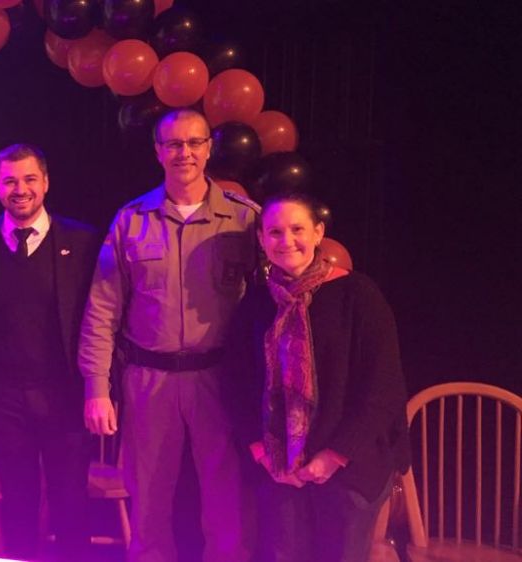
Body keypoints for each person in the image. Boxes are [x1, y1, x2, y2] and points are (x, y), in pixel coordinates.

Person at [80, 108, 257, 562]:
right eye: (174, 144)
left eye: (194, 142)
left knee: (226, 497)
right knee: (148, 496)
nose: (185, 153)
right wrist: (97, 387)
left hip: (218, 378)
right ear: (158, 151)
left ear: (209, 148)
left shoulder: (243, 220)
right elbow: (102, 309)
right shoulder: (131, 220)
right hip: (149, 379)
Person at [238, 191, 409, 562]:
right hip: (279, 467)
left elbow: (383, 390)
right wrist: (264, 455)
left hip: (349, 464)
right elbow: (237, 385)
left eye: (297, 229)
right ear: (262, 239)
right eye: (275, 232)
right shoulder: (255, 302)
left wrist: (333, 456)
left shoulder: (358, 295)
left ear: (318, 233)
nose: (286, 241)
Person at [0, 143, 99, 560]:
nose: (20, 189)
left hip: (65, 395)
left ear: (46, 182)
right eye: (10, 181)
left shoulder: (82, 240)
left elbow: (100, 316)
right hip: (5, 399)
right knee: (17, 502)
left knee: (71, 504)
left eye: (30, 179)